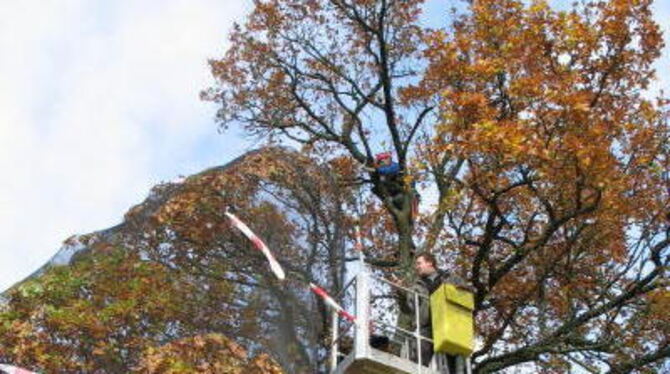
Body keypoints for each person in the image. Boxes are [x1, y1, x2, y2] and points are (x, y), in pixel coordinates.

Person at [398, 252, 469, 372]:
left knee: (454, 361)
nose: (417, 267)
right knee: (418, 357)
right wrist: (401, 295)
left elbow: (466, 294)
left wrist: (463, 290)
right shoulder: (416, 286)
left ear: (430, 263)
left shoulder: (450, 278)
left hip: (449, 324)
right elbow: (408, 309)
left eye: (419, 263)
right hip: (427, 325)